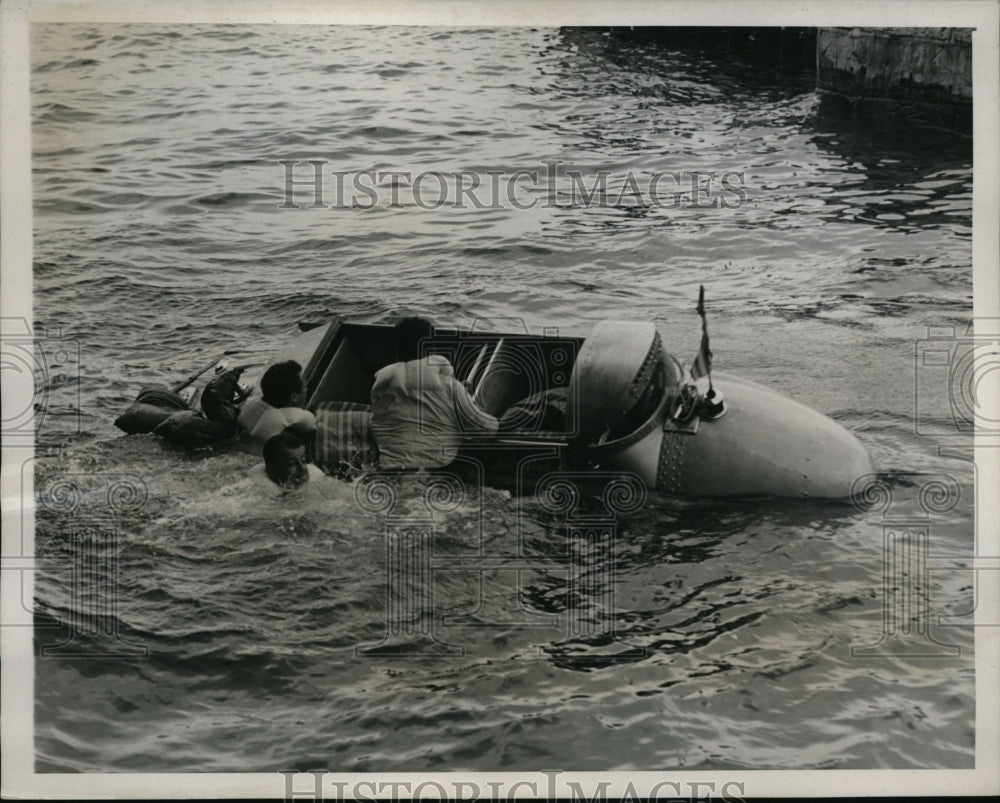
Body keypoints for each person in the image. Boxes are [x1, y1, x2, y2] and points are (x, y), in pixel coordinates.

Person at [370, 316, 498, 470]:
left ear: (396, 350)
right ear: (432, 349)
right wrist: (465, 397)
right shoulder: (450, 387)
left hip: (390, 469)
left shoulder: (382, 388)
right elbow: (483, 429)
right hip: (435, 470)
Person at [237, 360, 316, 449]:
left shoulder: (250, 405)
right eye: (305, 387)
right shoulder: (294, 428)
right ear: (294, 397)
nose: (306, 390)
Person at [248, 431, 325, 495]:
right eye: (291, 464)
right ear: (272, 470)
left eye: (303, 460)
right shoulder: (256, 492)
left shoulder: (317, 479)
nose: (302, 468)